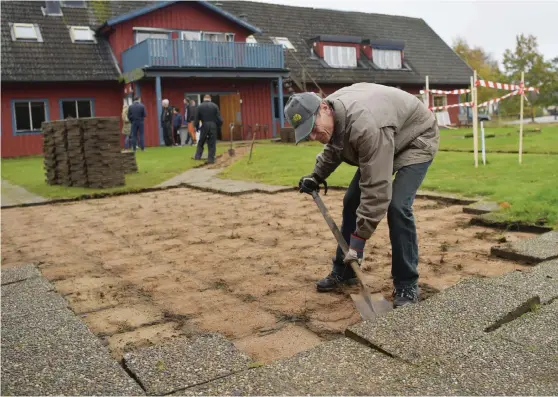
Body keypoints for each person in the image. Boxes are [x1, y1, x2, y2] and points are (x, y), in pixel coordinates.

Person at [284, 83, 439, 308]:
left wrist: (358, 241)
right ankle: (345, 271)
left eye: (314, 128)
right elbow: (334, 147)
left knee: (397, 207)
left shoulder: (366, 125)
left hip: (416, 137)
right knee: (351, 200)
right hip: (386, 136)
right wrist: (316, 176)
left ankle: (407, 283)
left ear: (324, 108)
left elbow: (376, 190)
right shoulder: (335, 114)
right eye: (308, 133)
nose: (314, 136)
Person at [194, 94, 223, 164]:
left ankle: (198, 156)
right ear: (210, 99)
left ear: (204, 99)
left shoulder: (200, 106)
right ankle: (211, 159)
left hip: (204, 125)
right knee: (212, 142)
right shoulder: (215, 106)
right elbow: (219, 118)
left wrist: (197, 126)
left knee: (201, 141)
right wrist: (219, 125)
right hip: (213, 125)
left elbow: (196, 118)